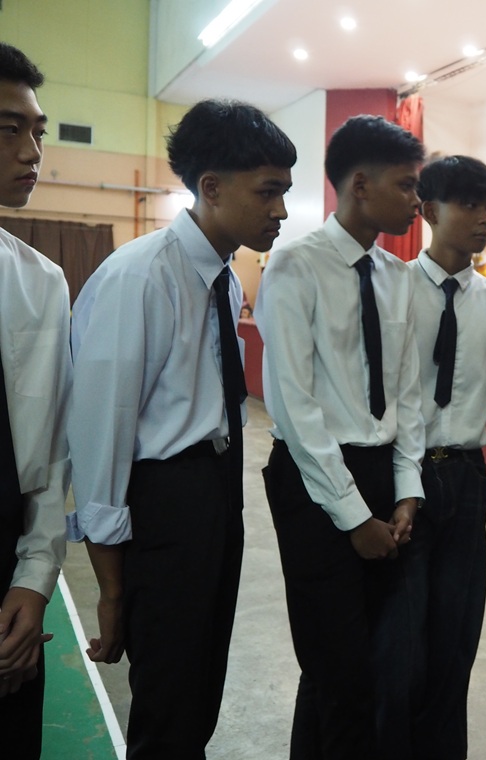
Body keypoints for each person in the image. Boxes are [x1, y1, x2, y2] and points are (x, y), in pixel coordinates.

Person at [67, 99, 295, 758]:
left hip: (219, 489)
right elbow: (102, 436)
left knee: (199, 691)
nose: (281, 210)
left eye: (284, 192)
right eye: (268, 192)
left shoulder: (223, 279)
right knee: (167, 704)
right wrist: (111, 588)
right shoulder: (138, 277)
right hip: (165, 502)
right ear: (211, 187)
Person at [255, 114, 426, 759]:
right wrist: (354, 518)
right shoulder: (295, 267)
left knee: (369, 666)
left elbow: (406, 396)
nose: (417, 201)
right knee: (339, 669)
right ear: (360, 184)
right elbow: (294, 407)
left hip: (381, 474)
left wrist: (406, 491)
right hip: (315, 480)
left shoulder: (397, 276)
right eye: (406, 185)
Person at [407, 155, 486, 759]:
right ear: (429, 210)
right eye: (469, 205)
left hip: (467, 475)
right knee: (402, 638)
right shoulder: (394, 290)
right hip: (403, 472)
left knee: (457, 632)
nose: (484, 219)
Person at [0, 43, 71, 760]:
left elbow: (49, 450)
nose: (32, 151)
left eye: (38, 131)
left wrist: (34, 580)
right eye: (8, 130)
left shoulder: (40, 282)